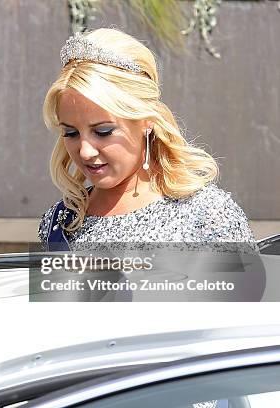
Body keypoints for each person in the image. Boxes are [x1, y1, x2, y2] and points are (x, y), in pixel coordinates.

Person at [38, 29, 254, 251]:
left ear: (146, 121)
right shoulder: (59, 224)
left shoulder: (207, 214)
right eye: (71, 133)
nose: (85, 152)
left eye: (103, 131)